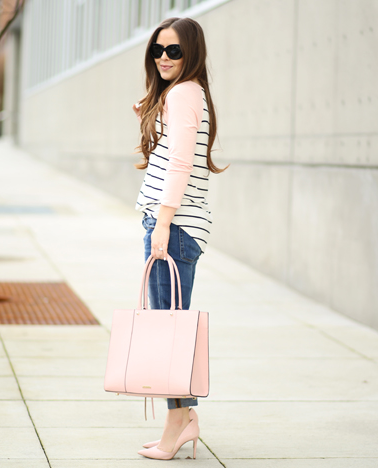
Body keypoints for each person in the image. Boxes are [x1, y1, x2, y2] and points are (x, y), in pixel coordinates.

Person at [132, 17, 225, 461]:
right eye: (158, 50)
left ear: (192, 54)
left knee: (169, 332)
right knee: (169, 326)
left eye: (174, 51)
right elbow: (172, 155)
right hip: (173, 225)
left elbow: (181, 166)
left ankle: (178, 427)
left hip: (175, 227)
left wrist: (163, 223)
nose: (164, 58)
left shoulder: (186, 93)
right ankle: (184, 420)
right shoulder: (184, 94)